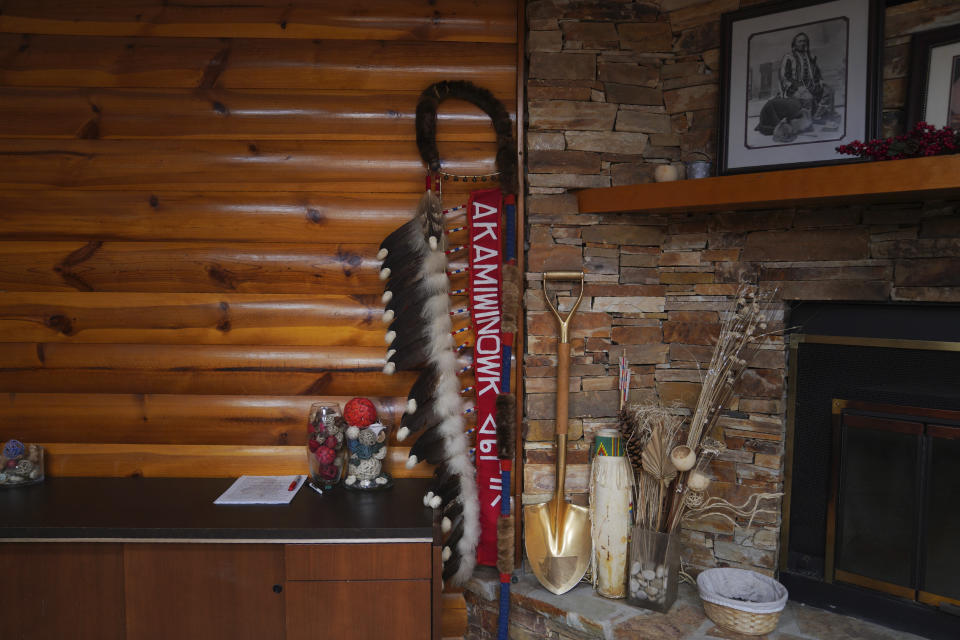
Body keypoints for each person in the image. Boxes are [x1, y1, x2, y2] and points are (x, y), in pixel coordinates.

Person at [778, 32, 837, 124]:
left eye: (805, 41)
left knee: (829, 90)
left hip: (811, 85)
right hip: (794, 88)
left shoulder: (811, 56)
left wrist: (820, 80)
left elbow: (817, 71)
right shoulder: (788, 57)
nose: (803, 43)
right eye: (800, 41)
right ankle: (807, 121)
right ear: (794, 44)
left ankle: (817, 116)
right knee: (807, 97)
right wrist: (797, 86)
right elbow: (784, 76)